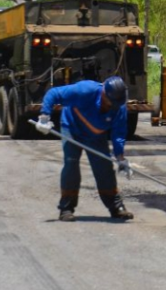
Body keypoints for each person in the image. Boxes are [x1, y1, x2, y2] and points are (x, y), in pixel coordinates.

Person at [36, 76, 134, 222]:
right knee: (71, 164)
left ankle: (116, 207)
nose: (112, 107)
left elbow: (118, 134)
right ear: (103, 94)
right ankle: (66, 208)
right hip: (72, 128)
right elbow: (54, 93)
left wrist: (121, 158)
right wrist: (44, 117)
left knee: (104, 167)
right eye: (110, 103)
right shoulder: (85, 90)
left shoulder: (119, 107)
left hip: (96, 134)